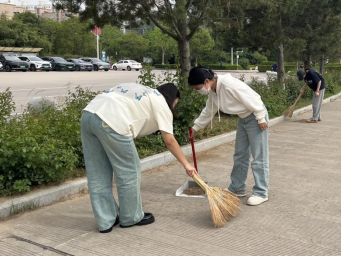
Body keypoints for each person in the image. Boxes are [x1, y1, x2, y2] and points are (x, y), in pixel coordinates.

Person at [81, 82, 197, 233]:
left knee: (97, 171)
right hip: (112, 120)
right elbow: (169, 140)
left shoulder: (146, 93)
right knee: (129, 171)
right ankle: (131, 217)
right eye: (176, 104)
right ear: (173, 99)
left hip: (89, 114)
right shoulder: (161, 103)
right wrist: (186, 164)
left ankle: (106, 220)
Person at [188, 67, 270, 206]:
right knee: (240, 155)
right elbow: (209, 110)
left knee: (259, 156)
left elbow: (253, 98)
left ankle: (261, 192)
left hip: (256, 117)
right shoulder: (214, 91)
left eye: (197, 88)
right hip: (243, 119)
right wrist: (195, 127)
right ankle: (237, 188)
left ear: (207, 81)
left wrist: (261, 118)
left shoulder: (228, 84)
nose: (198, 91)